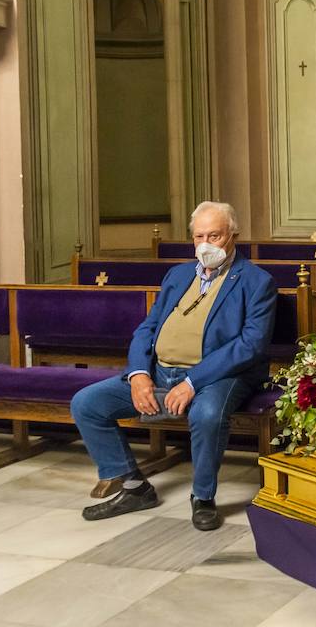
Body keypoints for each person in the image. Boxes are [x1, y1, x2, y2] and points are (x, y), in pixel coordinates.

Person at [70, 201, 276, 530]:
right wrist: (138, 375)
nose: (206, 244)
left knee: (207, 414)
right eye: (198, 237)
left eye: (215, 235)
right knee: (87, 403)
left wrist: (193, 381)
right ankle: (135, 488)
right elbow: (147, 329)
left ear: (233, 235)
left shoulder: (256, 281)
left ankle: (203, 497)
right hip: (159, 371)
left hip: (218, 377)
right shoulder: (178, 275)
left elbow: (250, 345)